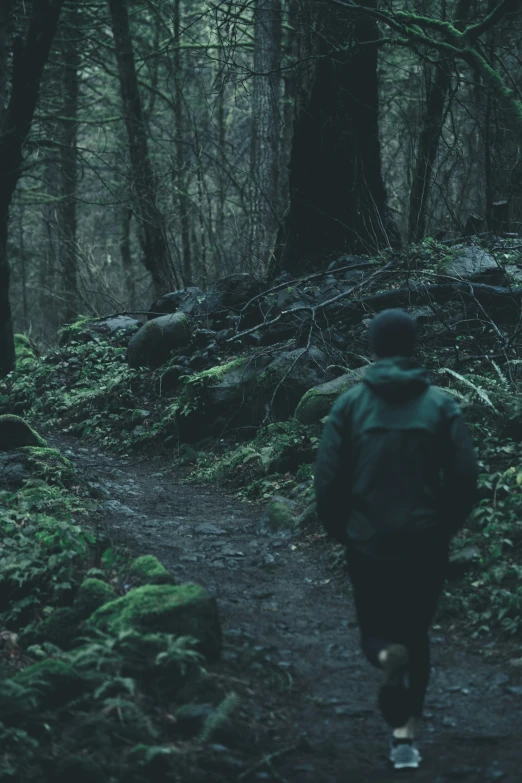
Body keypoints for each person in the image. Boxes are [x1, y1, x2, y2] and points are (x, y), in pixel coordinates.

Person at [314, 308, 478, 770]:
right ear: (412, 346)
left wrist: (342, 530)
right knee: (417, 636)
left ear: (373, 347)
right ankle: (404, 739)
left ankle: (387, 656)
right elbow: (465, 478)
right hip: (426, 543)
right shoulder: (441, 405)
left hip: (368, 543)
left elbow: (327, 482)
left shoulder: (348, 405)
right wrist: (445, 526)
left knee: (377, 633)